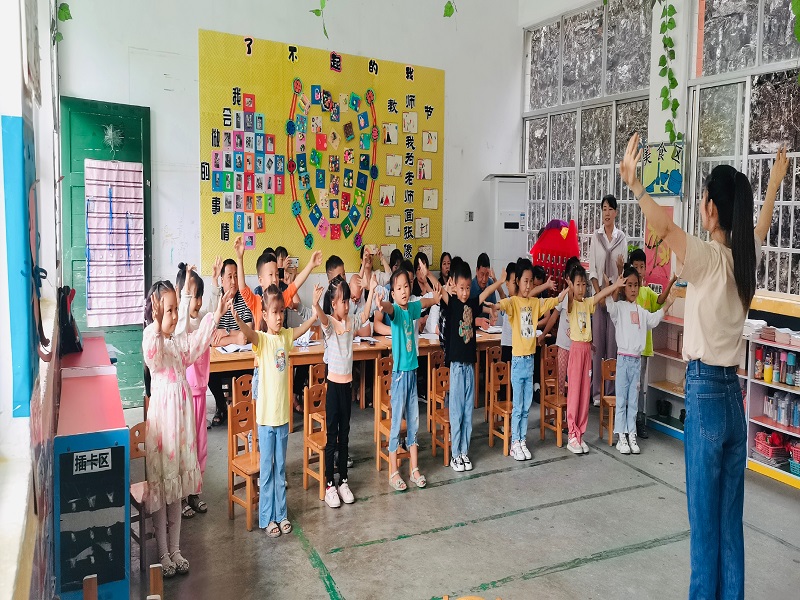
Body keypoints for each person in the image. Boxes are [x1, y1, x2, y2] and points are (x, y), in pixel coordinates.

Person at [620, 135, 787, 599]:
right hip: (733, 400)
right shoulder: (744, 259)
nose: (699, 204)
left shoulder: (710, 259)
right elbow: (760, 227)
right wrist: (774, 184)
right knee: (729, 527)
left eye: (702, 198)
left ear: (712, 208)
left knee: (704, 529)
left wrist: (636, 186)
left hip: (706, 396)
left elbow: (664, 227)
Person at [143, 280, 232, 576]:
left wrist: (216, 315)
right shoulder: (153, 338)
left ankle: (176, 549)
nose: (173, 316)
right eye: (167, 310)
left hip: (180, 429)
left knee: (177, 489)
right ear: (155, 311)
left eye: (173, 310)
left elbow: (197, 344)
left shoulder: (177, 343)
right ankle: (163, 552)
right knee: (163, 490)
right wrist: (157, 326)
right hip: (163, 430)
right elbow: (152, 354)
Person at [232, 284, 321, 537]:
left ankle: (281, 514)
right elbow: (250, 333)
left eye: (282, 311)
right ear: (265, 315)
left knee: (280, 469)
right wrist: (238, 319)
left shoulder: (285, 338)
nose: (279, 316)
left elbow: (303, 328)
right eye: (274, 312)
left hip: (282, 419)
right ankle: (267, 518)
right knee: (267, 471)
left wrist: (315, 309)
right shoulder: (263, 341)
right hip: (265, 420)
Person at [312, 276, 380, 508]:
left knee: (345, 435)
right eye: (342, 301)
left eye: (348, 300)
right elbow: (322, 319)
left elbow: (366, 314)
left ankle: (343, 481)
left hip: (346, 387)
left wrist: (371, 292)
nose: (347, 305)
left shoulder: (351, 321)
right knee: (332, 437)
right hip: (333, 388)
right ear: (333, 304)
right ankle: (329, 484)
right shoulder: (330, 324)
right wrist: (316, 305)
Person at [489, 259, 565, 461]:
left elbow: (551, 303)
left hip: (530, 361)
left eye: (531, 281)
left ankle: (522, 440)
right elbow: (503, 304)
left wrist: (562, 294)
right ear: (517, 282)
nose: (529, 285)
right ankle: (515, 442)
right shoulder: (515, 302)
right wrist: (494, 306)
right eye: (525, 281)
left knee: (526, 406)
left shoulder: (533, 303)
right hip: (517, 361)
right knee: (517, 405)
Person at [380, 267, 441, 491]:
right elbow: (388, 308)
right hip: (399, 376)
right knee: (397, 423)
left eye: (406, 286)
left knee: (414, 421)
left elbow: (423, 303)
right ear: (393, 293)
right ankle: (393, 471)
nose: (404, 291)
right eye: (398, 288)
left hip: (413, 373)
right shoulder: (396, 311)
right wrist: (382, 304)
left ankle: (414, 469)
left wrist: (435, 299)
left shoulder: (411, 308)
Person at [603, 266, 674, 454]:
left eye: (636, 285)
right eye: (629, 285)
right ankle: (621, 436)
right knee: (621, 399)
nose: (633, 289)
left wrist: (667, 306)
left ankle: (631, 434)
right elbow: (608, 303)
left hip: (636, 361)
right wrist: (613, 285)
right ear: (624, 287)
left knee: (633, 401)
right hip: (622, 360)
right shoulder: (619, 308)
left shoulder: (641, 311)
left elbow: (654, 319)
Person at [441, 261, 501, 471]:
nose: (465, 292)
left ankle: (464, 452)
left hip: (469, 367)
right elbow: (439, 290)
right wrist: (427, 274)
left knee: (468, 410)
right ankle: (455, 454)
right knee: (456, 411)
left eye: (468, 288)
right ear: (454, 286)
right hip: (457, 367)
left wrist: (500, 281)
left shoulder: (472, 303)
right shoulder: (452, 304)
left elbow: (486, 294)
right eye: (462, 288)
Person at [175, 261, 221, 519]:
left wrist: (214, 283)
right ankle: (181, 495)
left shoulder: (201, 321)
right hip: (186, 396)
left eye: (199, 295)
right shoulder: (182, 327)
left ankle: (194, 491)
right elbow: (186, 321)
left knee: (201, 446)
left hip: (201, 394)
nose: (199, 301)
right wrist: (184, 295)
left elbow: (213, 313)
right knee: (187, 447)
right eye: (194, 295)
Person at [563, 265, 621, 455]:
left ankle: (580, 434)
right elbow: (569, 300)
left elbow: (601, 294)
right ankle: (572, 435)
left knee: (584, 393)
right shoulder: (571, 304)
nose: (581, 288)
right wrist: (569, 289)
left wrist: (615, 285)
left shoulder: (587, 303)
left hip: (587, 351)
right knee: (574, 394)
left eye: (583, 284)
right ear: (572, 285)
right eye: (578, 284)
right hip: (576, 351)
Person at [628, 247, 677, 438]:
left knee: (640, 386)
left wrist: (671, 282)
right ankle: (628, 421)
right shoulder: (628, 293)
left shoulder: (647, 292)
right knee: (629, 385)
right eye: (636, 267)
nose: (639, 271)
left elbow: (660, 300)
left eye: (642, 267)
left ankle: (639, 421)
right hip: (629, 349)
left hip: (644, 348)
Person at [588, 194, 628, 405]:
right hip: (599, 296)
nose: (607, 213)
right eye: (604, 209)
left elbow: (623, 272)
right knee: (597, 346)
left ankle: (609, 392)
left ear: (616, 212)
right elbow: (593, 269)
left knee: (613, 346)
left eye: (610, 209)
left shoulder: (622, 238)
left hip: (616, 297)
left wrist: (613, 293)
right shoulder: (596, 237)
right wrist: (599, 295)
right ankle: (596, 393)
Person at [208, 258, 254, 426]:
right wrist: (236, 337)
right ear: (222, 280)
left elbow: (248, 333)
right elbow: (211, 339)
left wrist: (226, 332)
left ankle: (241, 408)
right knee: (209, 373)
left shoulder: (244, 298)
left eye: (236, 276)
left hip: (241, 359)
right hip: (221, 359)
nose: (234, 281)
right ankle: (221, 406)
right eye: (229, 277)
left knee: (252, 368)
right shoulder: (217, 300)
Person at [471, 252, 505, 318]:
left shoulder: (490, 283)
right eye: (482, 274)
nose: (484, 279)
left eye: (487, 275)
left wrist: (493, 317)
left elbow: (494, 307)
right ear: (477, 271)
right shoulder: (470, 287)